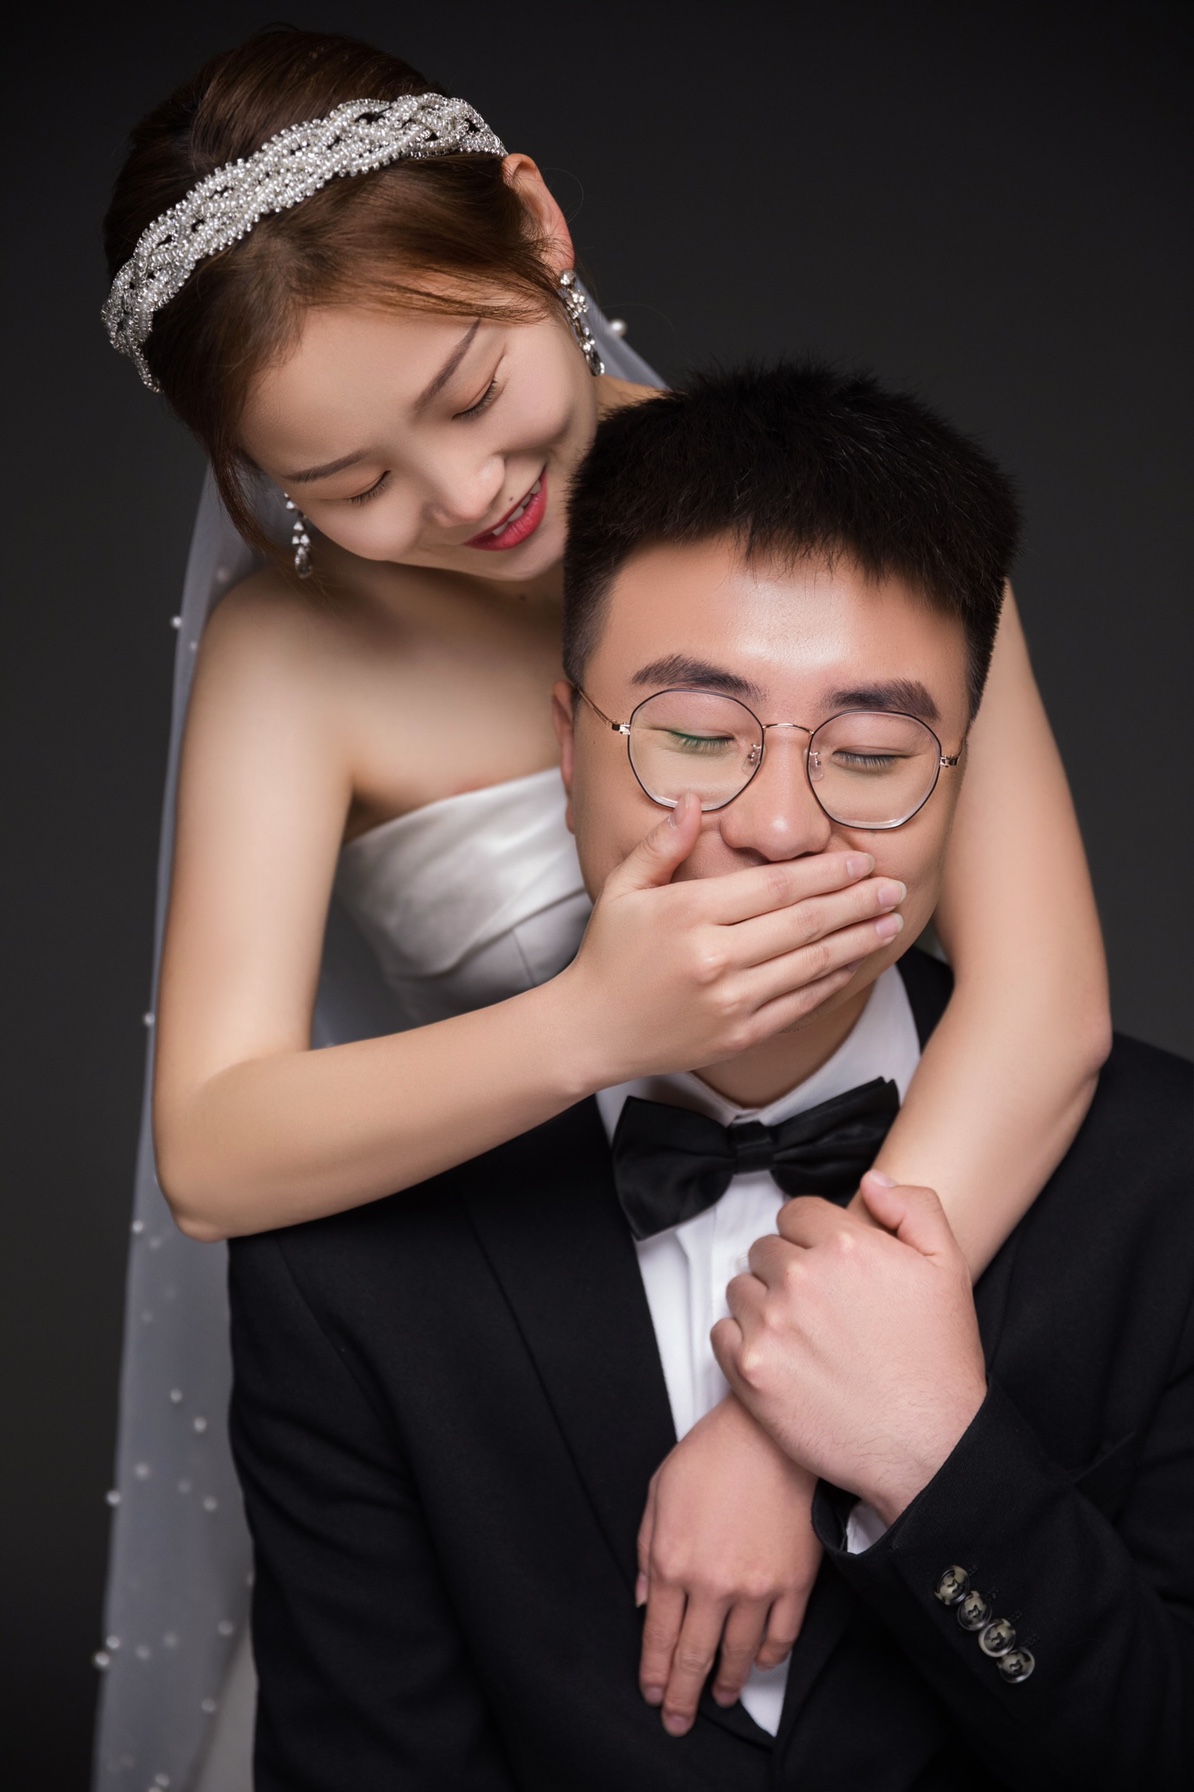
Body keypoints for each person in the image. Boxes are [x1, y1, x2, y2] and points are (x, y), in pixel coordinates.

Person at [96, 29, 1109, 1791]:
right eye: (346, 487)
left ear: (536, 225)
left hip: (904, 1278)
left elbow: (1043, 1010)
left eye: (469, 390)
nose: (459, 497)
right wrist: (594, 1024)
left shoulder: (847, 514)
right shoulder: (296, 654)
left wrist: (792, 1418)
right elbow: (214, 1148)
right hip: (513, 1384)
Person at [229, 362, 1193, 1790]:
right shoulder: (349, 1266)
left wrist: (931, 1461)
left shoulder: (1164, 1184)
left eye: (873, 752)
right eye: (693, 737)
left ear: (960, 781)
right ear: (566, 751)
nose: (780, 826)